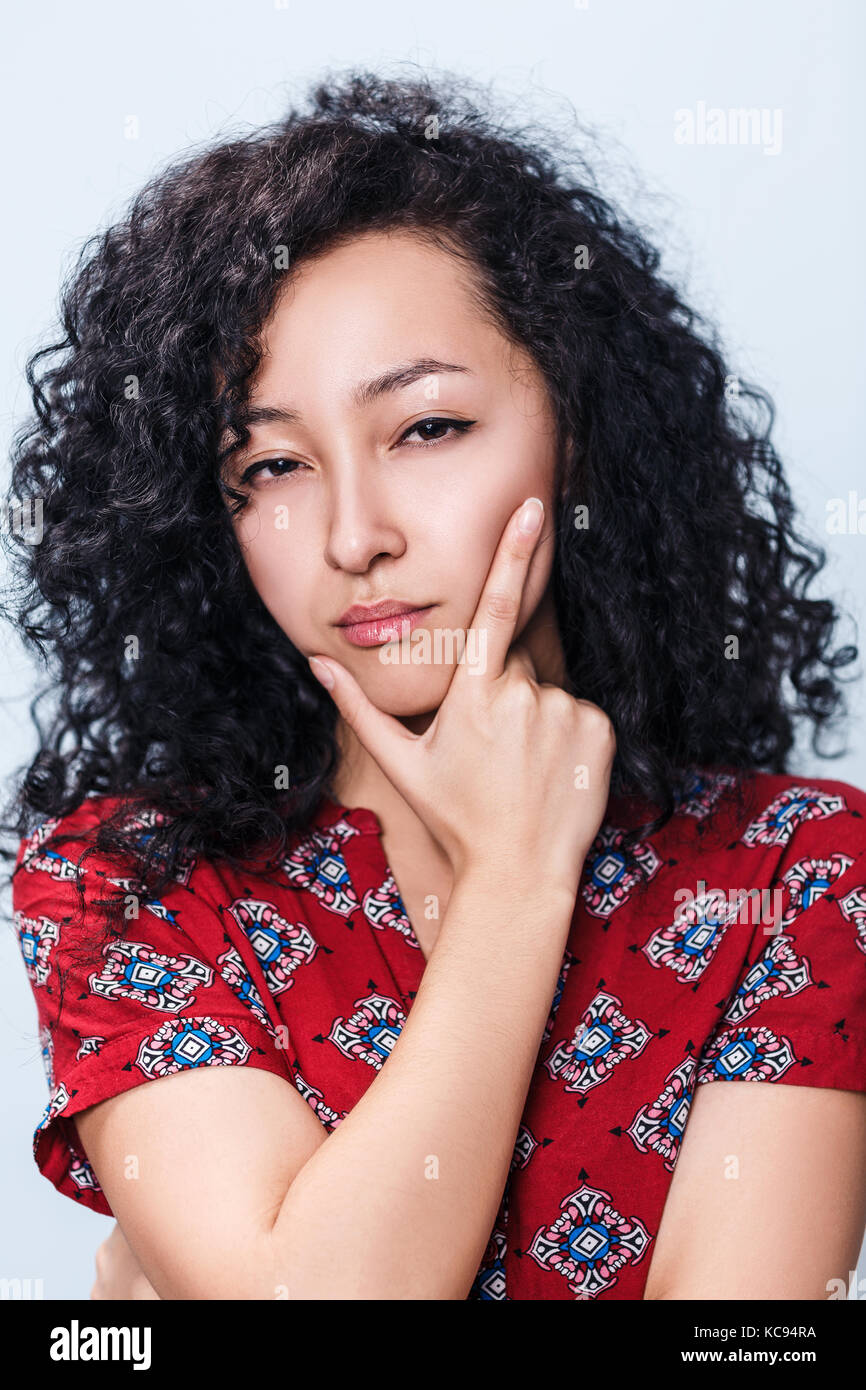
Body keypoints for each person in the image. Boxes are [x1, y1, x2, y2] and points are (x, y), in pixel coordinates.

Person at [4, 67, 866, 1302]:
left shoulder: (792, 878)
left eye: (425, 429)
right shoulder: (127, 888)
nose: (354, 535)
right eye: (274, 465)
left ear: (577, 424)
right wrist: (516, 884)